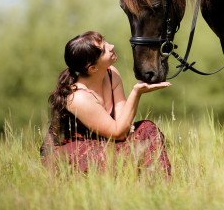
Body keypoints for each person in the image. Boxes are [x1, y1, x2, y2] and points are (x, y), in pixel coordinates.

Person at [40, 31, 172, 176]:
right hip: (73, 152)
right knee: (104, 153)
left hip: (105, 142)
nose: (111, 46)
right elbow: (118, 134)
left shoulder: (111, 74)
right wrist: (136, 93)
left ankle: (159, 182)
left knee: (147, 128)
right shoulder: (78, 98)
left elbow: (124, 126)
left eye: (105, 41)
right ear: (93, 68)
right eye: (104, 49)